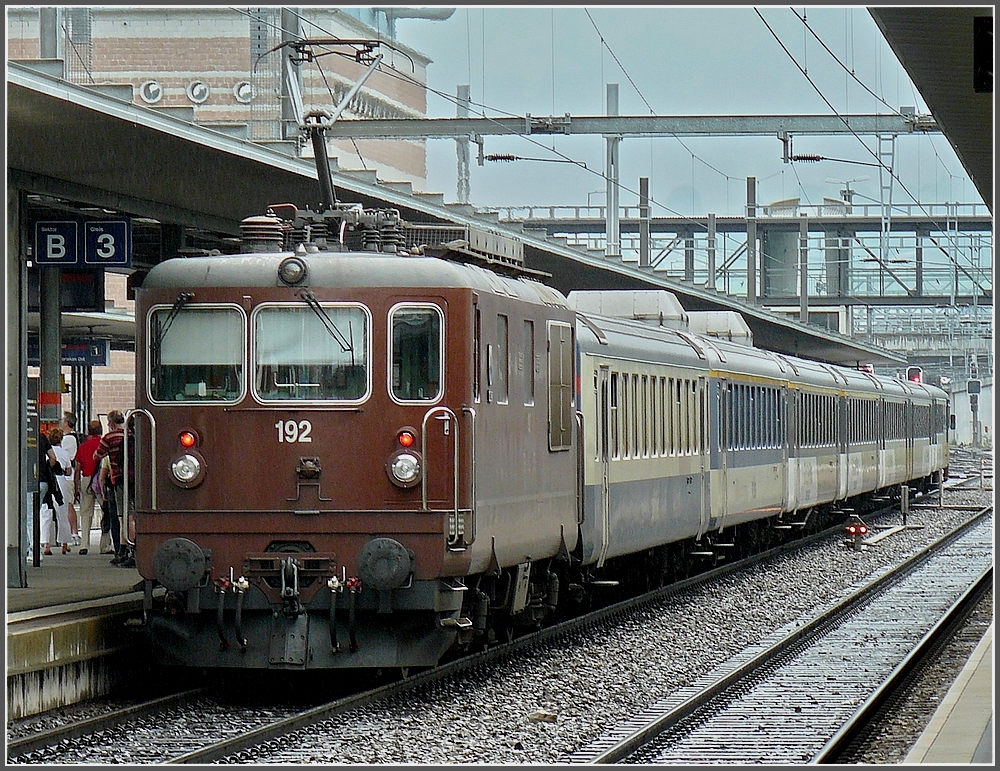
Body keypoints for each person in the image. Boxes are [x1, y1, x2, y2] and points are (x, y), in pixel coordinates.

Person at [94, 410, 130, 565]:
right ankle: (130, 548)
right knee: (131, 514)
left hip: (118, 479)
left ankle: (121, 550)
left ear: (111, 422)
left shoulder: (109, 438)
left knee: (121, 517)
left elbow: (97, 455)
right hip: (134, 480)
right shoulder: (131, 434)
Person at [73, 419, 103, 555]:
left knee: (86, 513)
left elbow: (77, 468)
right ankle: (106, 545)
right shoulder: (103, 443)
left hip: (86, 479)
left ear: (88, 431)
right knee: (106, 512)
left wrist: (75, 488)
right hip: (101, 479)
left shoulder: (83, 446)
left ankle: (84, 545)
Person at [42, 426, 73, 555]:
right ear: (61, 439)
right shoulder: (64, 453)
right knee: (62, 513)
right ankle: (64, 544)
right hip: (60, 481)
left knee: (46, 511)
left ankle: (46, 544)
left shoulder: (45, 452)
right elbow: (69, 470)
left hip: (49, 480)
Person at [61, 412, 81, 546]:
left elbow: (67, 457)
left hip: (67, 477)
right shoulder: (72, 437)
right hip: (69, 476)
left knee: (68, 506)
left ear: (67, 423)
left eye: (63, 420)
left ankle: (73, 533)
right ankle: (72, 533)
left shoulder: (68, 439)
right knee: (68, 505)